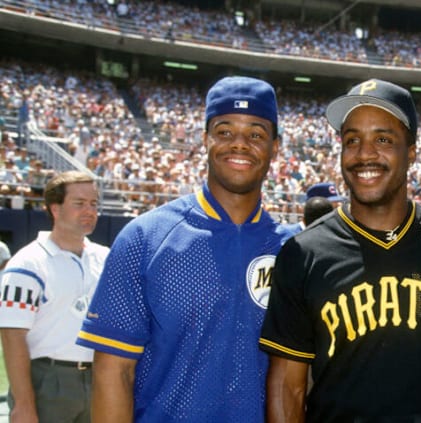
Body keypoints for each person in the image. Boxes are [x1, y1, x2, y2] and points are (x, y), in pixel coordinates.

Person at [76, 76, 289, 422]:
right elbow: (114, 372)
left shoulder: (292, 249)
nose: (240, 144)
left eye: (256, 134)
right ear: (205, 139)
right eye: (224, 131)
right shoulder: (145, 238)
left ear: (275, 147)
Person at [260, 78, 421, 422]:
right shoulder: (303, 252)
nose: (365, 153)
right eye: (352, 140)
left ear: (413, 151)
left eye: (383, 139)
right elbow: (288, 385)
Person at [0, 170, 109, 423]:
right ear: (55, 209)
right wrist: (24, 405)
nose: (89, 211)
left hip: (97, 379)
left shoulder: (105, 258)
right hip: (47, 381)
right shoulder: (27, 264)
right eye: (79, 204)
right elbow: (12, 336)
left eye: (94, 204)